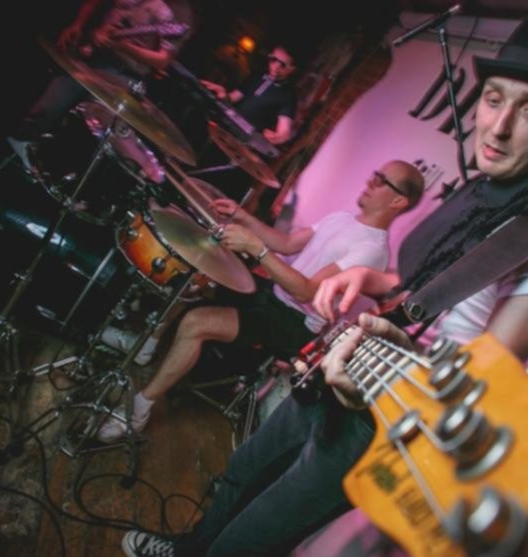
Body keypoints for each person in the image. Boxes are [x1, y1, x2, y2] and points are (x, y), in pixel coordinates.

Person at [118, 15, 528, 557]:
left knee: (243, 550)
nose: (499, 126)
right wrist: (367, 280)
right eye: (493, 99)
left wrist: (385, 360)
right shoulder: (476, 190)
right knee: (242, 471)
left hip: (385, 418)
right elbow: (425, 287)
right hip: (342, 364)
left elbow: (481, 375)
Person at [94, 160, 425, 441]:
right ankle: (145, 346)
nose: (371, 181)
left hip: (295, 323)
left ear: (398, 201)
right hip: (275, 295)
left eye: (381, 180)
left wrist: (257, 249)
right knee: (196, 276)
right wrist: (243, 217)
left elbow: (308, 292)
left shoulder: (371, 250)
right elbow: (288, 244)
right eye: (375, 174)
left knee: (196, 323)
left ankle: (138, 411)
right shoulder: (342, 218)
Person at [7, 0, 194, 182]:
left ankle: (63, 177)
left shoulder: (180, 11)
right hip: (90, 52)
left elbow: (162, 60)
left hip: (124, 73)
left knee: (92, 127)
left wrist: (121, 47)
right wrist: (78, 24)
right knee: (46, 107)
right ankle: (15, 153)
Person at [200, 44, 300, 146]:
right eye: (273, 59)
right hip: (226, 125)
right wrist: (224, 94)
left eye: (283, 65)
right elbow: (233, 98)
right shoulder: (257, 75)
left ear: (291, 70)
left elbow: (284, 131)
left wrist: (280, 136)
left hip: (244, 141)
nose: (276, 66)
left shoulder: (288, 95)